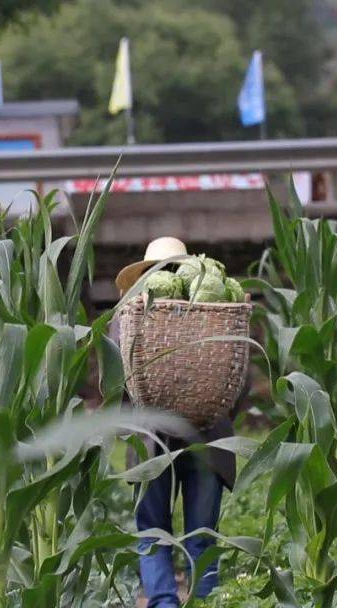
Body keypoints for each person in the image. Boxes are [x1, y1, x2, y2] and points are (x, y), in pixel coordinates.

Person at [112, 237, 244, 608]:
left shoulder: (128, 316)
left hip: (149, 434)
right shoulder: (218, 314)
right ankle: (203, 601)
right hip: (207, 433)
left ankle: (165, 603)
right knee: (201, 535)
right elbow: (237, 374)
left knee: (153, 532)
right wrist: (212, 405)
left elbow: (115, 379)